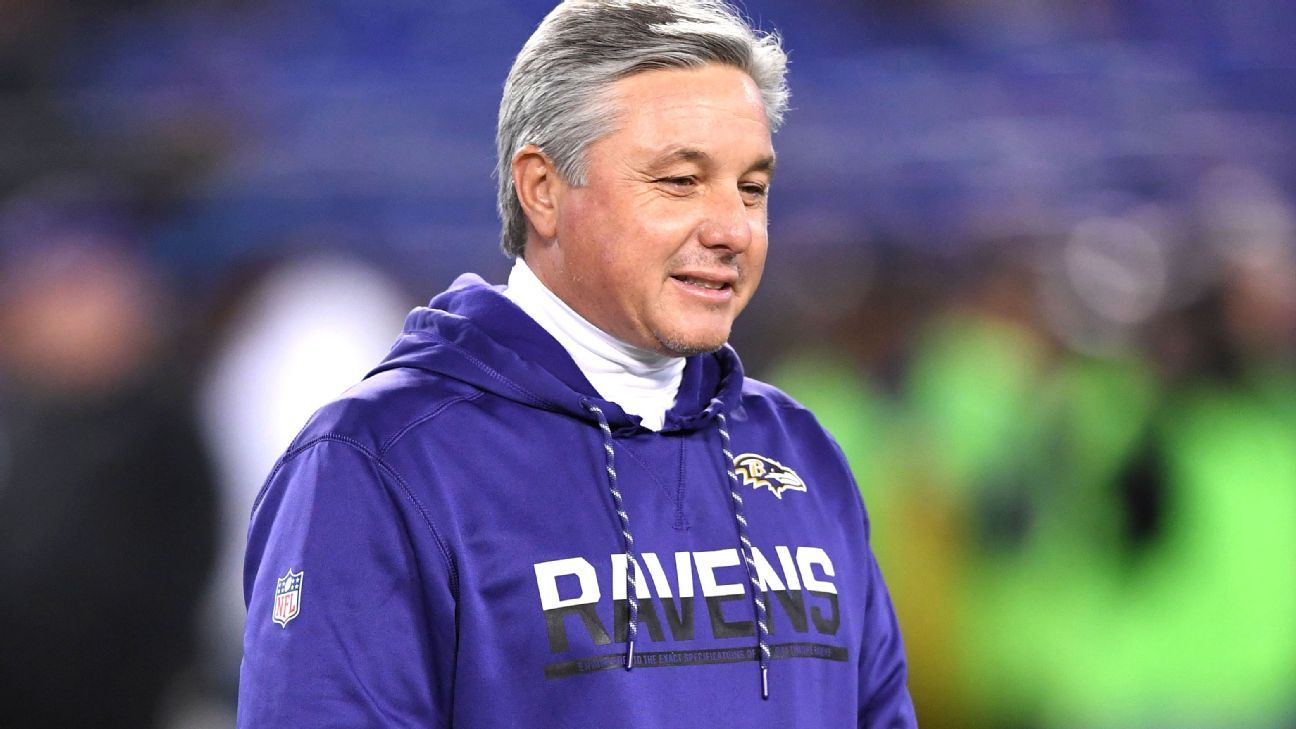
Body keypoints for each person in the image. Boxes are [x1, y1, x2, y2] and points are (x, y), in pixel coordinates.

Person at [238, 1, 916, 726]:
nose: (732, 229)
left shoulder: (799, 450)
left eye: (752, 188)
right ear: (543, 190)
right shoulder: (381, 463)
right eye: (680, 181)